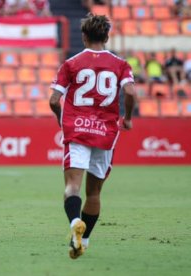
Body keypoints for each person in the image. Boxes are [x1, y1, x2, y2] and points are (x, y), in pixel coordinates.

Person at [49, 13, 136, 259]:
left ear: (84, 36)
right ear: (107, 36)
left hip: (77, 131)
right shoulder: (120, 64)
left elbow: (54, 100)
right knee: (94, 193)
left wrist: (60, 119)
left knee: (72, 187)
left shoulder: (71, 63)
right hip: (106, 132)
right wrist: (127, 117)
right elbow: (130, 91)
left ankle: (75, 221)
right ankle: (83, 241)